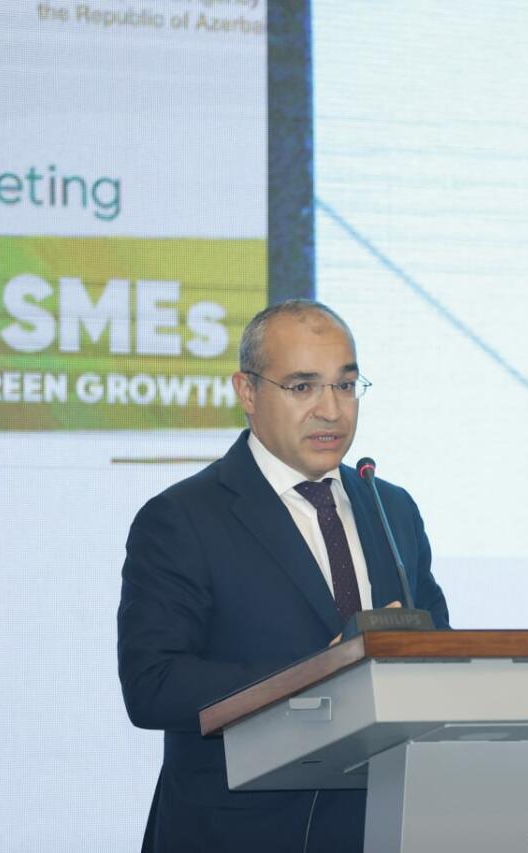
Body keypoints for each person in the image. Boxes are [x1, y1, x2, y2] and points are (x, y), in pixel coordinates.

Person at [117, 299, 449, 852]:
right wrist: (324, 670)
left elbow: (438, 648)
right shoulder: (183, 518)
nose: (331, 410)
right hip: (236, 834)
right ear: (247, 392)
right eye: (302, 387)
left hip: (381, 825)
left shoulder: (390, 507)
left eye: (346, 386)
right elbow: (153, 686)